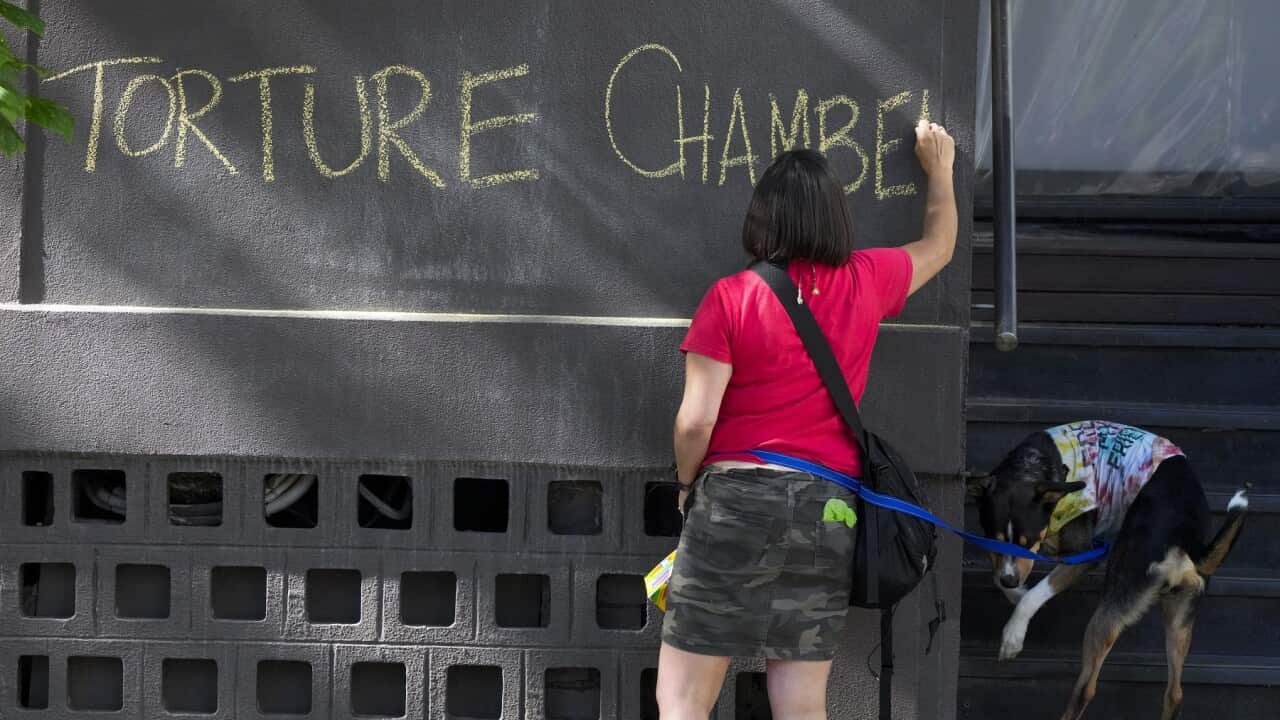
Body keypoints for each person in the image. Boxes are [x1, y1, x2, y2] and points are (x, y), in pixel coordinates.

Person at [656, 120, 957, 719]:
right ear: (836, 219)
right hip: (828, 510)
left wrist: (687, 486)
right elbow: (941, 246)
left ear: (761, 218)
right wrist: (940, 170)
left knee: (684, 701)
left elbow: (695, 423)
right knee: (799, 702)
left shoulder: (732, 297)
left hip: (734, 502)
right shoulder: (867, 280)